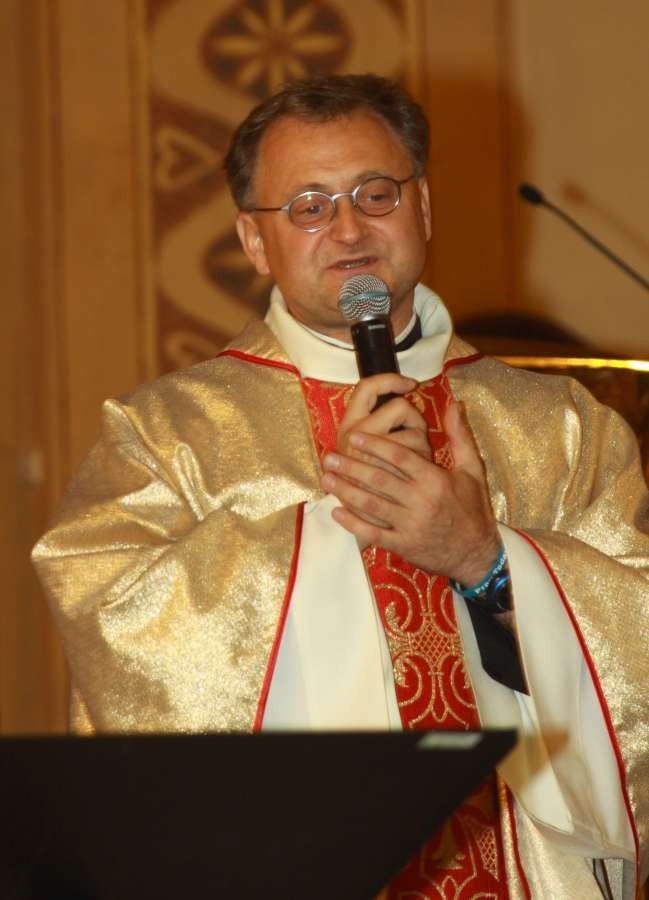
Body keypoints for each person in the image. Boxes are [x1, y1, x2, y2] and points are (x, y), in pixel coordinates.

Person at [32, 74, 648, 898]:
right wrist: (329, 527)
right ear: (254, 241)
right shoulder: (168, 432)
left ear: (421, 206)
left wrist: (486, 561)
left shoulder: (560, 425)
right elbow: (116, 628)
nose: (349, 228)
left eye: (375, 193)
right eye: (309, 206)